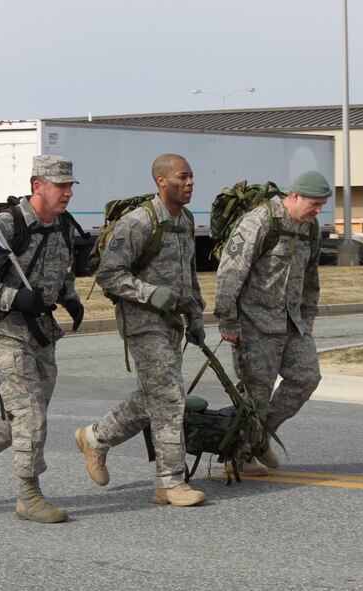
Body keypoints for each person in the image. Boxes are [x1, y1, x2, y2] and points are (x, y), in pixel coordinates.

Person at [0, 155, 84, 524]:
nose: (68, 192)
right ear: (37, 185)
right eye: (61, 185)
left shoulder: (63, 226)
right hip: (3, 330)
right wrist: (13, 297)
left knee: (17, 422)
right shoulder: (7, 226)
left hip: (41, 331)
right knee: (31, 413)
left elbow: (62, 269)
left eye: (71, 185)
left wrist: (69, 296)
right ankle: (29, 496)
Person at [74, 153, 208, 507]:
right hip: (142, 322)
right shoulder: (138, 222)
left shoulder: (186, 220)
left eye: (192, 176)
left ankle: (95, 438)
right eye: (183, 177)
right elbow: (109, 274)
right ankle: (168, 482)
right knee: (168, 396)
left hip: (172, 324)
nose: (190, 182)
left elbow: (188, 274)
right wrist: (150, 293)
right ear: (162, 181)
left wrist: (195, 316)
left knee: (155, 396)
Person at [213, 169, 330, 476]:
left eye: (322, 206)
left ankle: (258, 439)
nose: (318, 211)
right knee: (256, 396)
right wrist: (228, 320)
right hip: (254, 324)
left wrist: (309, 315)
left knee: (307, 377)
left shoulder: (310, 227)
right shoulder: (260, 220)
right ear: (294, 196)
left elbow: (311, 276)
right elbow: (230, 271)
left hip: (292, 322)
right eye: (314, 204)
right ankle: (238, 456)